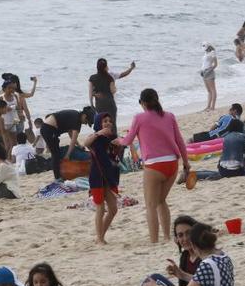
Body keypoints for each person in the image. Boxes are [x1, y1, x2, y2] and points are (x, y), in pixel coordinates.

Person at [115, 89, 189, 244]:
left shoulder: (139, 118)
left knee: (150, 205)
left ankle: (154, 241)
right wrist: (186, 164)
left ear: (142, 103)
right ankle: (168, 237)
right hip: (172, 164)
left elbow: (128, 141)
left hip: (154, 165)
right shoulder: (169, 116)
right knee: (162, 201)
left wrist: (118, 141)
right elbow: (180, 141)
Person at [85, 113, 121, 244]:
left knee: (113, 209)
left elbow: (120, 145)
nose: (108, 123)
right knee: (100, 208)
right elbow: (85, 143)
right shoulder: (94, 138)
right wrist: (99, 133)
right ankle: (100, 238)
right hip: (97, 177)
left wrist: (121, 144)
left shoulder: (112, 137)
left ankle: (100, 236)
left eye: (109, 121)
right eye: (104, 121)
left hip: (108, 177)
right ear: (98, 123)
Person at [41, 107, 97, 181]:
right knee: (55, 154)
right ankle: (57, 178)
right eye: (86, 121)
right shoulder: (77, 121)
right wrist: (67, 155)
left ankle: (58, 176)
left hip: (49, 128)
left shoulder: (75, 115)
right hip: (49, 129)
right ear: (84, 116)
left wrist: (79, 145)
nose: (86, 123)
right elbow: (73, 141)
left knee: (56, 152)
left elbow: (71, 134)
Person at [165, 216, 200, 286]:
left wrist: (182, 275)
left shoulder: (205, 256)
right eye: (180, 235)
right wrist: (178, 273)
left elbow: (206, 283)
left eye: (189, 233)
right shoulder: (185, 256)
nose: (185, 238)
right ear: (176, 239)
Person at [89, 59, 118, 133]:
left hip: (100, 104)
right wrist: (115, 88)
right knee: (112, 123)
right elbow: (113, 91)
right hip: (110, 103)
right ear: (105, 67)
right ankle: (113, 140)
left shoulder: (92, 78)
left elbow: (90, 92)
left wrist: (92, 104)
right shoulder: (110, 78)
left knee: (101, 123)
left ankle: (101, 140)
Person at [200, 42, 218, 111]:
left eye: (205, 47)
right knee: (208, 90)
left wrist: (209, 70)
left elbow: (215, 64)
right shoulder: (205, 53)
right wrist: (202, 71)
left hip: (209, 72)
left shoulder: (212, 52)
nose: (204, 49)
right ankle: (208, 106)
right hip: (204, 72)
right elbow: (204, 64)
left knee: (213, 90)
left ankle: (212, 107)